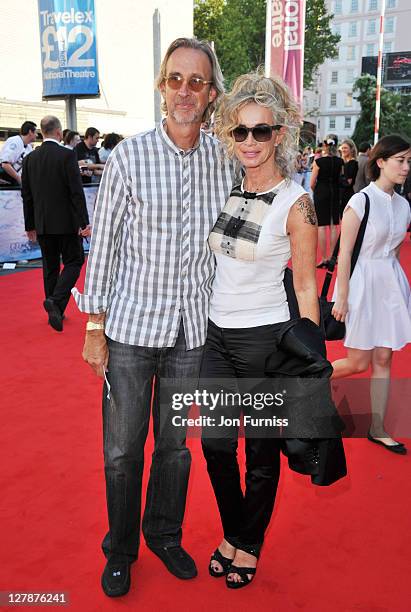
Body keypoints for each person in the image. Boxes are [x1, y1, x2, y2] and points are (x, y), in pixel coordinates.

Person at [72, 37, 235, 598]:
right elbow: (106, 247)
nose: (185, 91)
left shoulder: (225, 157)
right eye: (175, 79)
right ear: (161, 86)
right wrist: (94, 328)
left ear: (212, 93)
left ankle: (163, 533)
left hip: (193, 333)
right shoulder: (128, 156)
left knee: (174, 447)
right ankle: (120, 546)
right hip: (132, 330)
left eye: (197, 81)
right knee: (121, 448)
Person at [201, 72, 320, 589]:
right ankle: (237, 530)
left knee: (261, 453)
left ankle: (246, 544)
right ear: (230, 136)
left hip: (265, 341)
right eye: (241, 132)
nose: (250, 141)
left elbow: (308, 287)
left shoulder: (297, 203)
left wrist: (310, 366)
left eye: (261, 132)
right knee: (214, 445)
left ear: (280, 135)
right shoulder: (229, 190)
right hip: (216, 337)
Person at [331, 135, 411, 454]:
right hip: (363, 282)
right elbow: (345, 253)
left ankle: (377, 427)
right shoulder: (361, 201)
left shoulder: (404, 205)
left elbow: (394, 249)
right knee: (358, 361)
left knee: (384, 356)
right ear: (380, 162)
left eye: (409, 161)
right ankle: (309, 382)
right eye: (400, 161)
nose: (406, 167)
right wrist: (342, 295)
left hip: (391, 283)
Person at [21, 116, 91, 331]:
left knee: (50, 267)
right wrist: (84, 222)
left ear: (42, 132)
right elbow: (76, 192)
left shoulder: (30, 159)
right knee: (75, 261)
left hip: (42, 223)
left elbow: (27, 196)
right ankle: (56, 301)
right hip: (66, 222)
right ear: (59, 133)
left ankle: (56, 311)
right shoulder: (67, 155)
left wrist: (30, 225)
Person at [311, 135, 344, 268]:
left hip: (321, 192)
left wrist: (317, 191)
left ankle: (324, 258)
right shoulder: (340, 161)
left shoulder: (318, 162)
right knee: (334, 225)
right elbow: (341, 178)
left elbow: (312, 182)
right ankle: (332, 257)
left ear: (325, 145)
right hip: (335, 192)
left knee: (322, 226)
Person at [0, 121, 37, 185]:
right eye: (36, 132)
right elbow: (5, 164)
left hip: (13, 182)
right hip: (4, 182)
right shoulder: (15, 141)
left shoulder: (29, 147)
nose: (37, 135)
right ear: (30, 132)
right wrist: (18, 178)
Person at [339, 139, 358, 217]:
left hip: (347, 195)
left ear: (351, 149)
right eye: (342, 148)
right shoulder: (343, 162)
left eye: (345, 148)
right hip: (341, 195)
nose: (343, 150)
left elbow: (348, 183)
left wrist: (338, 180)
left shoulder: (353, 163)